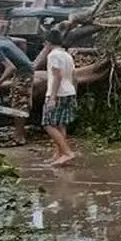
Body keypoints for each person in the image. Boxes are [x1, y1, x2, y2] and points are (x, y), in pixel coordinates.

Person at [42, 29, 78, 165]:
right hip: (69, 92)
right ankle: (59, 154)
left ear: (47, 43)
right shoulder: (67, 55)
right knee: (60, 124)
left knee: (48, 124)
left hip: (58, 93)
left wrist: (52, 97)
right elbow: (74, 76)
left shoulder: (53, 55)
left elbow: (58, 76)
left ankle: (68, 152)